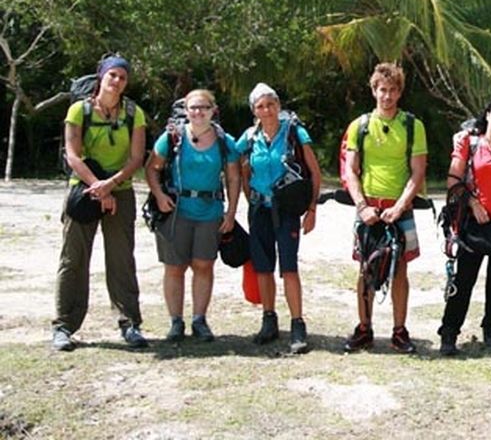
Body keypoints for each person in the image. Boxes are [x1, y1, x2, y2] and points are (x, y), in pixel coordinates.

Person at [52, 54, 149, 351]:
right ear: (101, 77)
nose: (117, 81)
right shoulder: (78, 111)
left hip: (119, 190)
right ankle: (64, 325)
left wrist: (110, 185)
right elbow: (72, 155)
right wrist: (98, 187)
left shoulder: (134, 113)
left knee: (121, 259)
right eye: (112, 75)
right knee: (73, 259)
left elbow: (136, 158)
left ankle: (129, 323)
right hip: (84, 190)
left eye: (122, 77)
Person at [144, 89, 241, 343]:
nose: (198, 112)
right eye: (193, 108)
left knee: (204, 265)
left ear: (213, 110)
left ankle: (200, 320)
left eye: (204, 108)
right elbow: (152, 168)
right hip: (176, 211)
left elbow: (233, 177)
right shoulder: (172, 138)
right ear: (186, 111)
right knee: (174, 267)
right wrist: (159, 195)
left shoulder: (224, 141)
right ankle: (176, 322)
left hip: (210, 211)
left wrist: (231, 212)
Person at [342, 63, 427, 354]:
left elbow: (417, 173)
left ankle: (399, 331)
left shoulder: (413, 126)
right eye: (382, 90)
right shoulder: (360, 126)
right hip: (368, 209)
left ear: (399, 92)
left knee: (400, 269)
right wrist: (363, 206)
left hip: (399, 209)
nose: (387, 96)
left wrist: (401, 206)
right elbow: (350, 170)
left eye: (392, 90)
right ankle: (364, 328)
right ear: (374, 90)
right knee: (365, 268)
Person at [438, 96, 491, 356]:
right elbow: (453, 181)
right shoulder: (469, 141)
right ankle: (450, 332)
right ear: (487, 114)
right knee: (464, 278)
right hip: (475, 222)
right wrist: (473, 203)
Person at [237, 83, 321, 354]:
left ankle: (298, 324)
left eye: (270, 104)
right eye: (260, 106)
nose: (266, 110)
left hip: (286, 209)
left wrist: (311, 210)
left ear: (278, 106)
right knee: (263, 267)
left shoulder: (295, 133)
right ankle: (269, 320)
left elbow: (314, 172)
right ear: (254, 110)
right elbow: (236, 163)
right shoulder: (250, 137)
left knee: (288, 267)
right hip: (260, 209)